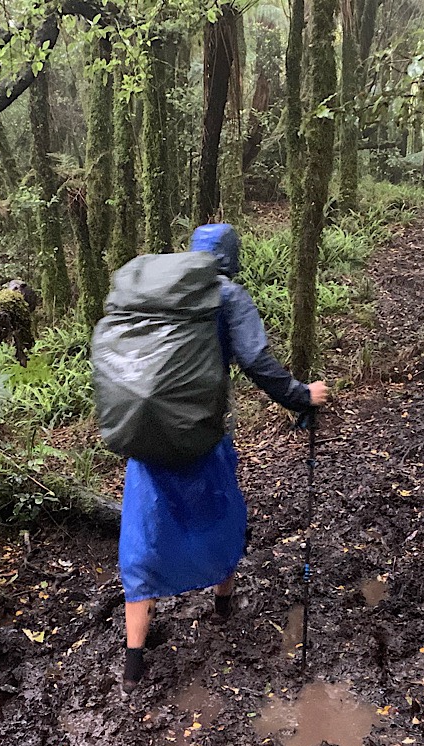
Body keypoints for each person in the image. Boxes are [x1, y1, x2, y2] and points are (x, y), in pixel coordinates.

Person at [119, 223, 329, 692]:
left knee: (146, 531)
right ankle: (223, 607)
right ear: (233, 258)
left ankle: (133, 666)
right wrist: (302, 396)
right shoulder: (229, 296)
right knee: (220, 516)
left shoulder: (160, 293)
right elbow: (257, 362)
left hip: (147, 437)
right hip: (203, 437)